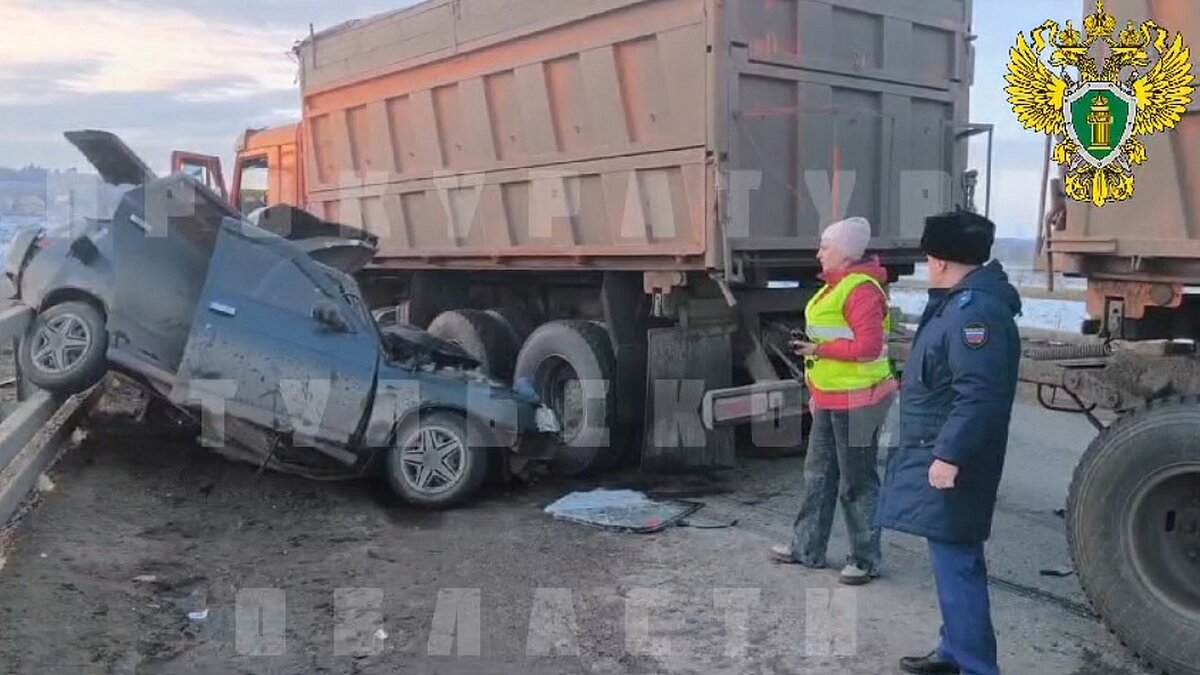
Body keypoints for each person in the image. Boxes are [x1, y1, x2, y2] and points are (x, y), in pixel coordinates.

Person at [877, 210, 1021, 675]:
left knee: (957, 564)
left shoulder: (972, 310)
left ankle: (977, 666)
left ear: (938, 260)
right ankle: (954, 650)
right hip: (938, 447)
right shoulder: (961, 301)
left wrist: (948, 455)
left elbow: (980, 393)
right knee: (949, 559)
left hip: (951, 456)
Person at [768, 216, 898, 586]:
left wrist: (818, 348)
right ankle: (806, 547)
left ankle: (865, 558)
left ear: (843, 253)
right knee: (818, 475)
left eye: (824, 246)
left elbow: (868, 346)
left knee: (857, 481)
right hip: (830, 397)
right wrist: (815, 391)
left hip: (860, 401)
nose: (818, 252)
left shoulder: (860, 290)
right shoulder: (835, 286)